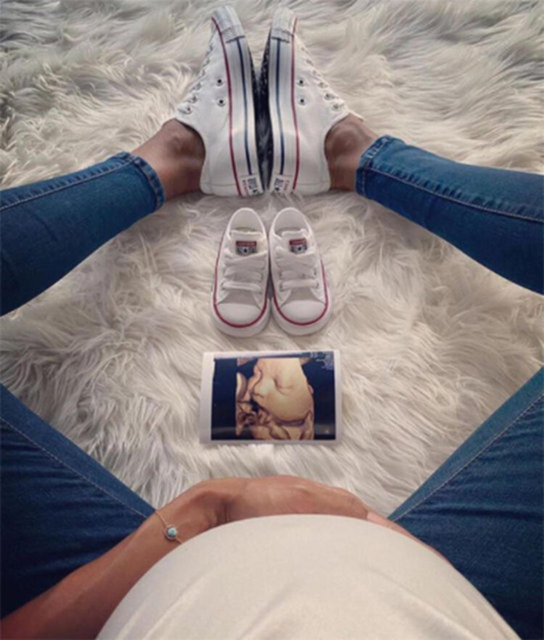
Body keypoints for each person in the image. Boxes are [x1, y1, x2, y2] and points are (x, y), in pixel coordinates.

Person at [1, 5, 542, 640]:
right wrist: (398, 556)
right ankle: (350, 156)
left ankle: (183, 158)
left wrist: (201, 514)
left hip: (135, 605)